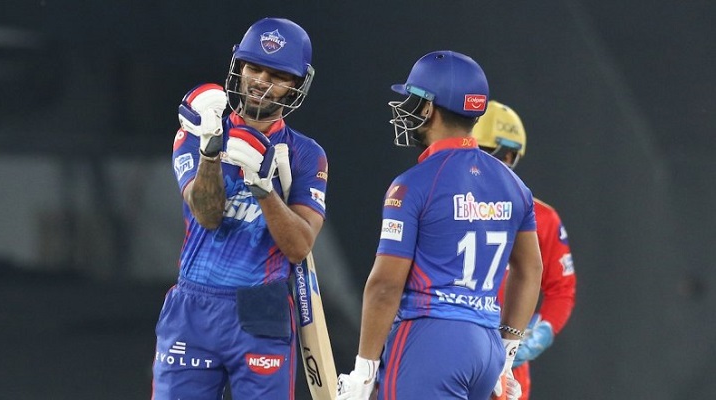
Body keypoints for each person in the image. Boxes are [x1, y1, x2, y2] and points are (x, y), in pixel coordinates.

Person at [336, 50, 543, 400]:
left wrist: (364, 370)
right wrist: (507, 352)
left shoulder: (413, 184)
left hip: (431, 340)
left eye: (412, 99)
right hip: (486, 347)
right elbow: (530, 269)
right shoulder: (515, 185)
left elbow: (385, 285)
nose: (406, 108)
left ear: (428, 108)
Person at [153, 17, 328, 399]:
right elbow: (207, 215)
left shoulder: (305, 154)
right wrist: (211, 150)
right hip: (193, 304)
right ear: (239, 67)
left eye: (277, 75)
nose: (261, 81)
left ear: (296, 84)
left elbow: (299, 247)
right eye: (255, 68)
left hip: (261, 305)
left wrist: (263, 188)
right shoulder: (197, 130)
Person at [471, 100, 577, 400]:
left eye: (483, 150)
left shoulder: (542, 219)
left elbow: (562, 289)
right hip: (445, 349)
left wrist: (533, 336)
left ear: (510, 156)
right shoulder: (441, 203)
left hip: (505, 371)